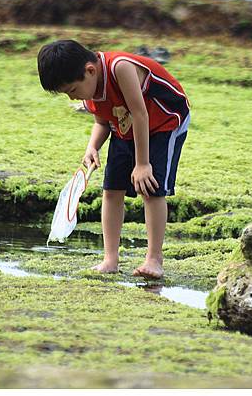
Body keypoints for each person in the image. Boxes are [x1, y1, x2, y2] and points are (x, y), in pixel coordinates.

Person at [37, 40, 190, 279]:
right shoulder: (89, 86)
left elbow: (141, 114)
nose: (73, 99)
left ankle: (154, 259)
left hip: (164, 122)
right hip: (125, 126)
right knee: (111, 190)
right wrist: (92, 146)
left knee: (151, 189)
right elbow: (102, 121)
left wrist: (142, 164)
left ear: (90, 70)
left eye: (73, 91)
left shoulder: (120, 68)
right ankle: (110, 259)